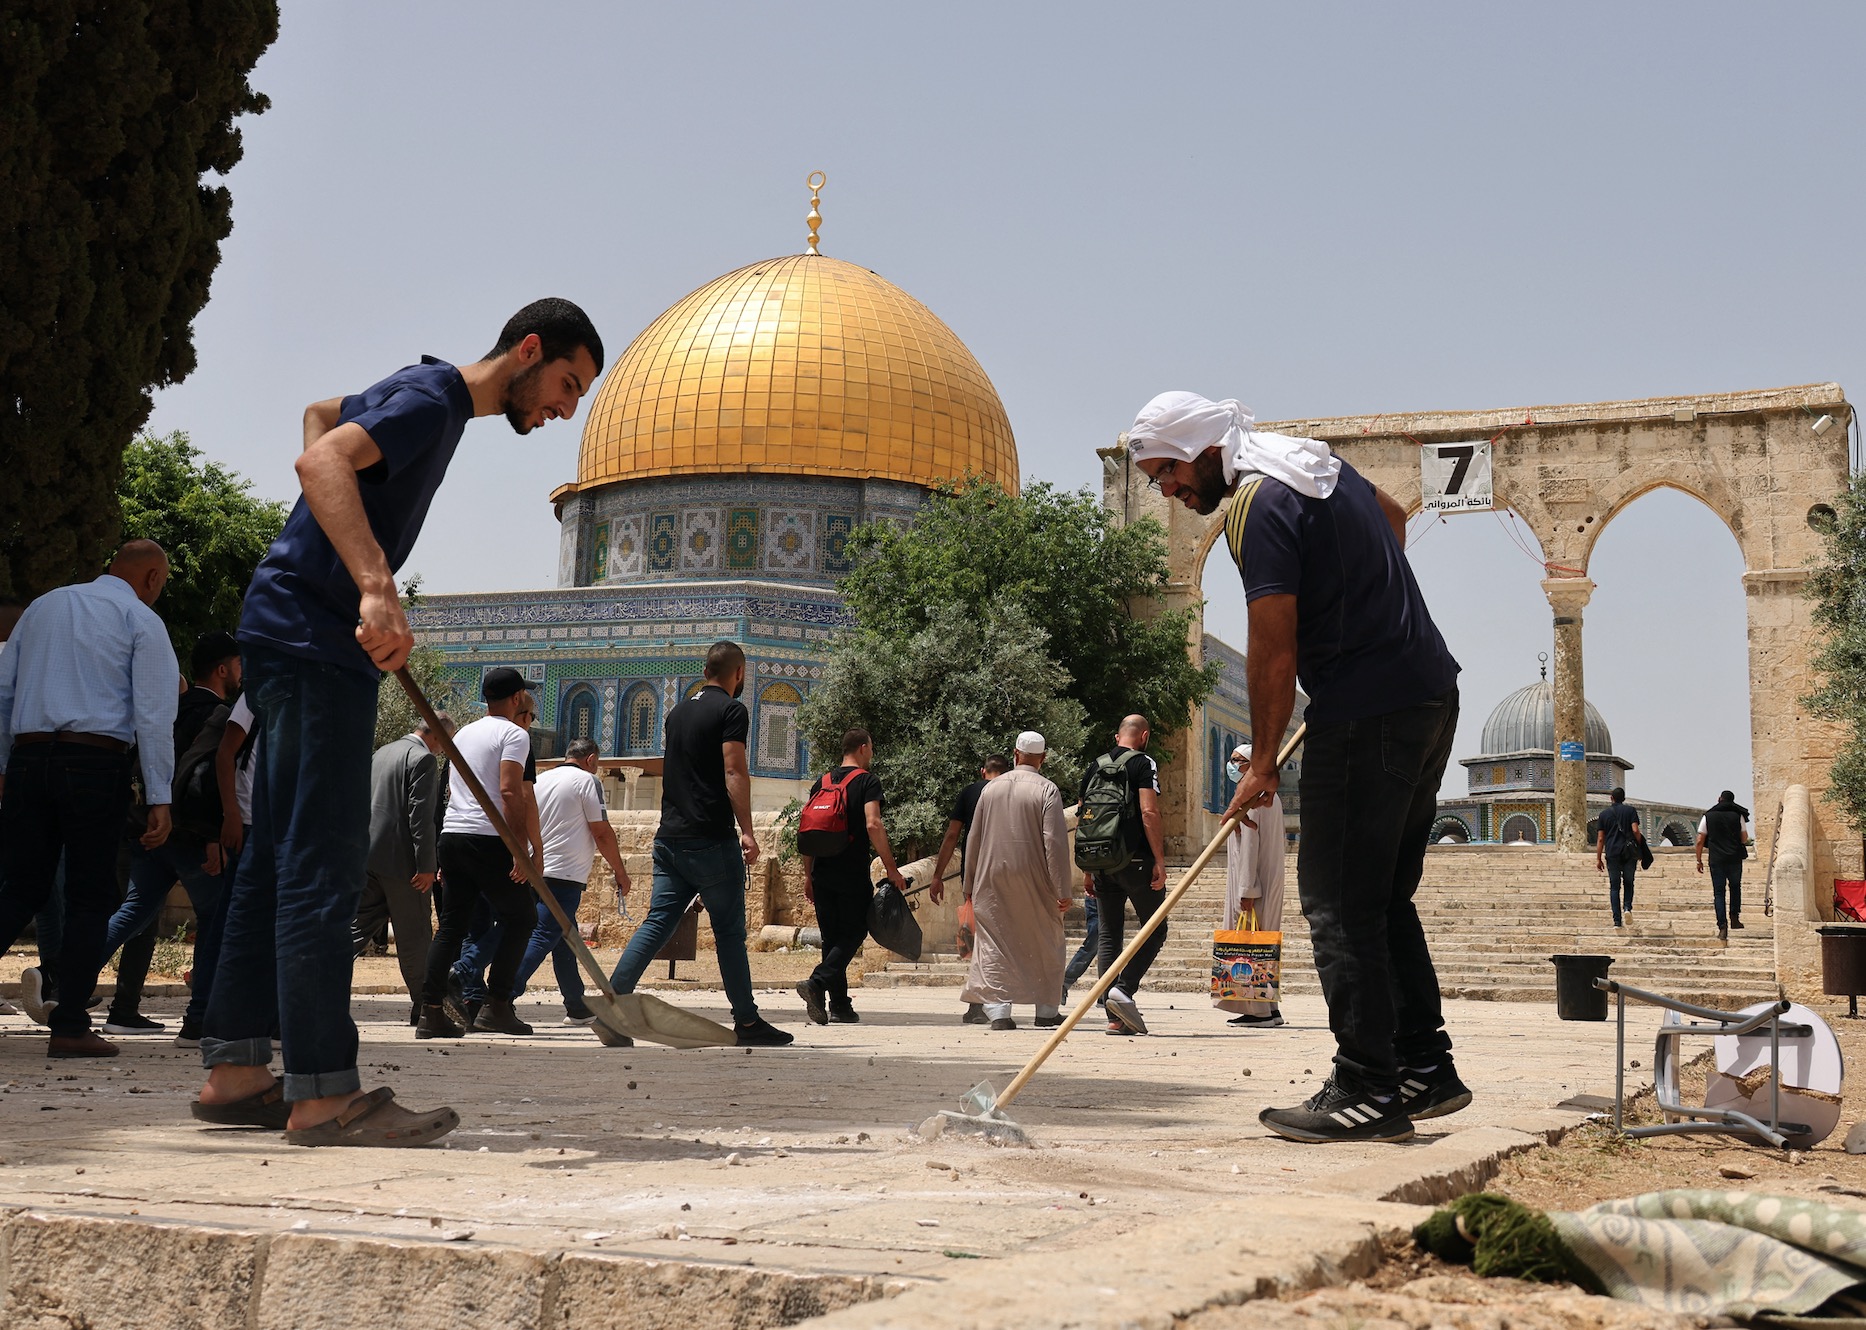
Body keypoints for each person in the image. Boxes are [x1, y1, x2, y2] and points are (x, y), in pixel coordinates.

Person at [194, 299, 602, 1144]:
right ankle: (322, 1093)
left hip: (285, 630)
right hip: (315, 644)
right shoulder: (434, 400)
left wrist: (324, 558)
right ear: (528, 351)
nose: (565, 409)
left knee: (275, 859)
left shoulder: (420, 387)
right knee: (319, 862)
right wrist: (369, 582)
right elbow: (322, 464)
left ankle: (237, 1074)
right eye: (566, 383)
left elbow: (318, 421)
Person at [1126, 389, 1464, 1143]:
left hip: (1368, 709)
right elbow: (1395, 519)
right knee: (1381, 897)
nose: (1170, 492)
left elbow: (1273, 646)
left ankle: (1370, 1088)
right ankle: (1422, 1067)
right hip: (1428, 692)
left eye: (1168, 474)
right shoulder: (1312, 463)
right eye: (1155, 482)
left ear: (1203, 450)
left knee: (1340, 903)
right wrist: (1366, 611)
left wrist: (1262, 762)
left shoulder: (1256, 507)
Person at [0, 540, 179, 1058]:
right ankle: (71, 1025)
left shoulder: (42, 606)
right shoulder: (141, 621)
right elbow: (153, 714)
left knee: (20, 888)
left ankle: (73, 1021)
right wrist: (159, 796)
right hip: (94, 764)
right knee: (89, 897)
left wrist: (5, 764)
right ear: (149, 579)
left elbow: (5, 691)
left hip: (30, 761)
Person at [606, 640, 791, 1047]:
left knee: (656, 923)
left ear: (705, 669)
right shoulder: (732, 710)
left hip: (669, 836)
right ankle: (746, 1021)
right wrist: (747, 829)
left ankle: (613, 1008)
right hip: (710, 838)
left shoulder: (676, 713)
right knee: (728, 932)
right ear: (738, 673)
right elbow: (734, 769)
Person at [100, 631, 245, 1036]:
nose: (241, 672)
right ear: (221, 670)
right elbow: (210, 778)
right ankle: (199, 1019)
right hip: (192, 837)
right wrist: (216, 835)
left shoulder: (170, 710)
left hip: (150, 829)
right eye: (237, 664)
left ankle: (62, 982)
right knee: (215, 916)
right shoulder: (221, 715)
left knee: (132, 911)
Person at [420, 671, 537, 1038]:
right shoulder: (514, 734)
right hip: (487, 838)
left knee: (452, 927)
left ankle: (430, 1013)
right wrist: (520, 849)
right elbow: (509, 790)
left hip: (452, 836)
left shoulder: (464, 734)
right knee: (522, 918)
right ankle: (497, 1006)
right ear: (518, 698)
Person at [507, 738, 630, 1023]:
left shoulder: (542, 780)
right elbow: (601, 832)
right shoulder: (587, 782)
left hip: (534, 868)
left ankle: (576, 1004)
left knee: (566, 939)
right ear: (590, 760)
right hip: (563, 875)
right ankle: (501, 995)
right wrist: (620, 871)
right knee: (543, 935)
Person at [958, 731, 1073, 1031]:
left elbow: (974, 837)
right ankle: (1047, 1010)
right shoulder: (1047, 790)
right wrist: (1062, 888)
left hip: (991, 877)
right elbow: (1055, 843)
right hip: (1035, 876)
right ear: (1043, 758)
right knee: (1047, 939)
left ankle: (998, 1012)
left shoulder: (991, 789)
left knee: (994, 942)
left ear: (1015, 754)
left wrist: (968, 884)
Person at [795, 729, 907, 1026]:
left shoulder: (823, 781)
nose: (871, 752)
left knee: (833, 938)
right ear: (862, 748)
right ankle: (817, 983)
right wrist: (892, 869)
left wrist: (808, 875)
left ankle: (840, 1006)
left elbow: (809, 832)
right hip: (850, 870)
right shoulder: (867, 781)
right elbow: (873, 824)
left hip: (822, 871)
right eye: (871, 747)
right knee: (856, 931)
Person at [354, 712, 453, 1021]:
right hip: (403, 865)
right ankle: (428, 1010)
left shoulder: (382, 753)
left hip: (368, 857)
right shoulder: (422, 759)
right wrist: (426, 865)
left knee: (354, 930)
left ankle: (311, 985)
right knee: (416, 937)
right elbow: (420, 817)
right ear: (437, 734)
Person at [1078, 714, 1167, 1037]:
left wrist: (1089, 868)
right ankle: (1124, 990)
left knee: (1108, 934)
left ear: (1118, 737)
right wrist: (1158, 858)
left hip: (1101, 861)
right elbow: (1148, 811)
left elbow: (1085, 815)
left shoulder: (1095, 765)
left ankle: (1113, 1016)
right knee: (1155, 928)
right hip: (1135, 859)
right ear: (1143, 736)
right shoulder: (1143, 763)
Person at [931, 755, 1011, 1024]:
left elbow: (952, 835)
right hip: (1007, 874)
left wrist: (937, 875)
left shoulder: (970, 792)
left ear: (983, 771)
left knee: (979, 940)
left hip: (975, 877)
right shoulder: (1012, 791)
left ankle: (979, 1004)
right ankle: (994, 1002)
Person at [1218, 742, 1286, 1028]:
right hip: (1266, 881)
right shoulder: (1269, 797)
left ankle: (1257, 1012)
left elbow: (1249, 847)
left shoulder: (1255, 799)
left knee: (1251, 948)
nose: (1232, 766)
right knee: (1264, 945)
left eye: (1237, 761)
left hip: (1254, 884)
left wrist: (1246, 891)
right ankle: (1269, 1008)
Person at [1696, 790, 1751, 942]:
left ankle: (1722, 926)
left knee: (1719, 893)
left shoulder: (1708, 816)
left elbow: (1700, 840)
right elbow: (1744, 838)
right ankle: (1734, 917)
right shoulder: (1737, 815)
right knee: (1735, 887)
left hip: (1716, 860)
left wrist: (1698, 860)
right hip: (1734, 858)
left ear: (1719, 799)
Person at [1595, 787, 1643, 929]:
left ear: (1611, 798)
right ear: (1624, 798)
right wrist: (1640, 849)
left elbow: (1600, 838)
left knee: (1614, 887)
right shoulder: (1631, 811)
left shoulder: (1603, 815)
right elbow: (1635, 830)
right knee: (1629, 882)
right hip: (1629, 852)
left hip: (1612, 853)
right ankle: (1627, 908)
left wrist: (1598, 858)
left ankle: (1617, 921)